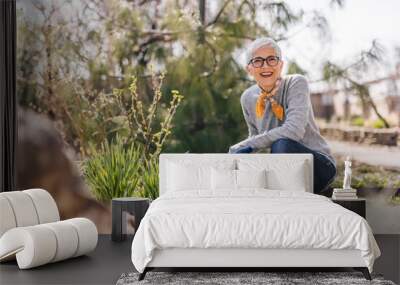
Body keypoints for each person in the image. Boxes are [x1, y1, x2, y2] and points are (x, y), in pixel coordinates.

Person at [228, 37, 337, 194]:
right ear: (249, 69)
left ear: (281, 65)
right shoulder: (247, 98)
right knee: (243, 158)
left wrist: (247, 144)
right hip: (281, 166)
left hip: (318, 165)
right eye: (258, 61)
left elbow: (294, 131)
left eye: (271, 59)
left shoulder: (296, 83)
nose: (265, 66)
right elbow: (255, 139)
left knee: (282, 144)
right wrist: (237, 154)